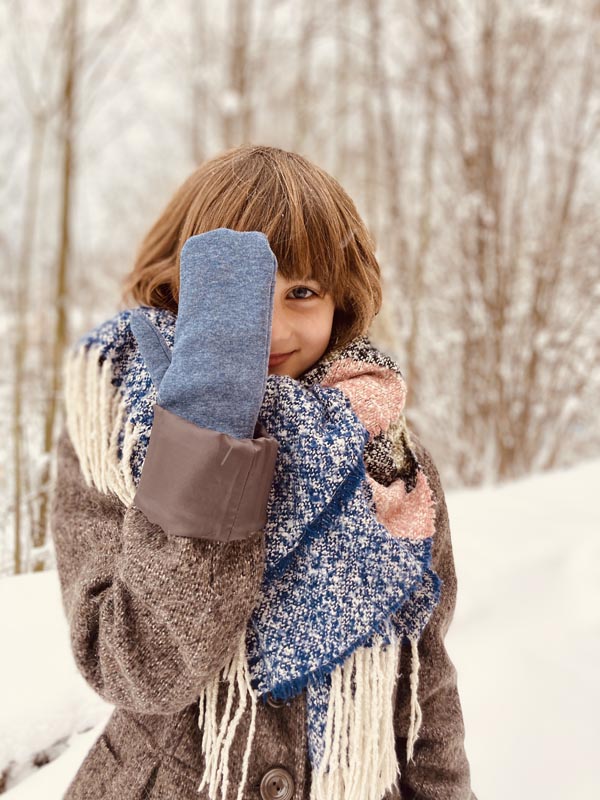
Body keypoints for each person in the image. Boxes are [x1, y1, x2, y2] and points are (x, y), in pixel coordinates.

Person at [50, 144, 476, 800]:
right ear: (175, 288)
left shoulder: (389, 464)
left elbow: (423, 691)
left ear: (341, 303)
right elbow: (140, 670)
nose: (270, 325)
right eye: (235, 292)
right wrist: (205, 436)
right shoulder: (114, 433)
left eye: (302, 291)